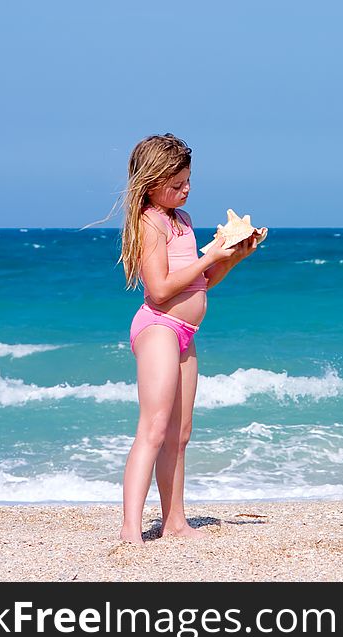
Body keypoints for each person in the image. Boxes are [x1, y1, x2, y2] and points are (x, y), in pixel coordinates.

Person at [117, 133, 258, 543]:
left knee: (180, 433)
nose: (187, 190)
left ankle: (175, 522)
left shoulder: (183, 221)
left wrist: (231, 257)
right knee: (154, 428)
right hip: (159, 325)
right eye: (177, 184)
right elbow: (159, 289)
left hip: (186, 331)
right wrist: (209, 255)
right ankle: (130, 529)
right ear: (152, 180)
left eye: (189, 181)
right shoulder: (150, 221)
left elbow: (203, 282)